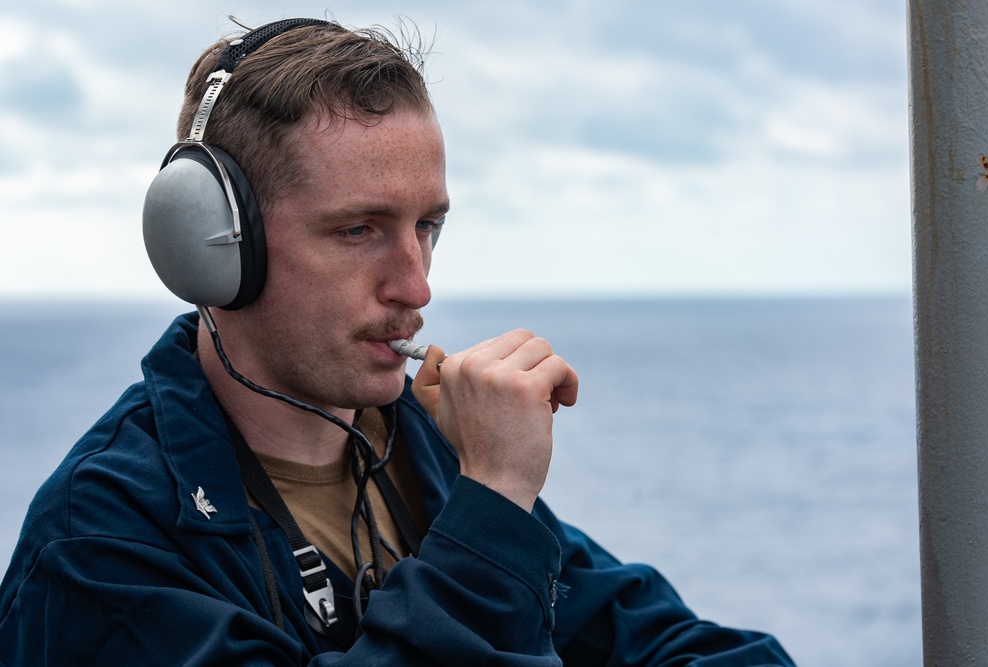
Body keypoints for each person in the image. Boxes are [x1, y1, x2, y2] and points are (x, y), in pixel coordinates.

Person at [0, 17, 795, 666]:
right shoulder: (100, 541)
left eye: (427, 227)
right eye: (358, 230)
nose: (416, 287)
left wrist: (486, 503)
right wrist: (491, 504)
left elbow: (650, 640)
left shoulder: (418, 446)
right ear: (213, 240)